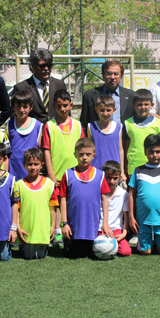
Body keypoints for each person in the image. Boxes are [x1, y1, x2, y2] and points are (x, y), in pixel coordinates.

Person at [41, 89, 84, 245]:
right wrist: (51, 174)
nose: (62, 109)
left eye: (65, 105)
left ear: (71, 105)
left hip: (75, 174)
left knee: (74, 203)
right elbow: (46, 151)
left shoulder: (78, 125)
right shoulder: (49, 126)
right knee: (58, 205)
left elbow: (83, 148)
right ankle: (58, 234)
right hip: (57, 174)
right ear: (54, 106)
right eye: (59, 106)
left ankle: (74, 231)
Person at [58, 138, 112, 258]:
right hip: (72, 229)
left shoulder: (100, 175)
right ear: (75, 155)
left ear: (93, 155)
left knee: (90, 254)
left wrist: (105, 223)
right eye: (81, 154)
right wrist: (64, 223)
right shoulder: (68, 174)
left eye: (88, 154)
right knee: (71, 255)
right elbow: (63, 199)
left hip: (93, 230)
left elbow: (105, 200)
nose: (84, 157)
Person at [128, 134, 160, 255]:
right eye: (151, 151)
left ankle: (157, 240)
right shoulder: (138, 171)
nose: (155, 155)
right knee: (145, 252)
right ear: (145, 152)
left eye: (158, 151)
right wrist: (131, 217)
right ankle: (150, 241)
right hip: (143, 221)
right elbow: (131, 195)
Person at [14, 148, 58, 260]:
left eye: (36, 164)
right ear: (24, 165)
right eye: (29, 164)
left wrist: (53, 226)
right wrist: (18, 227)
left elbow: (52, 208)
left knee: (40, 256)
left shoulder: (49, 184)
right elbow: (17, 209)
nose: (33, 167)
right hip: (26, 229)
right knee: (28, 256)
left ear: (42, 165)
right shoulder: (19, 184)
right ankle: (23, 247)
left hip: (42, 229)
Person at [123, 89, 160, 178]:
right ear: (133, 105)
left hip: (155, 167)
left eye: (146, 104)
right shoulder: (127, 124)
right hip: (134, 169)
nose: (143, 107)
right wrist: (124, 171)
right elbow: (126, 148)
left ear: (152, 105)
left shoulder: (158, 123)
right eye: (139, 104)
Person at [12, 48, 67, 123]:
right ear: (33, 67)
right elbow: (15, 116)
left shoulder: (59, 85)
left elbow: (66, 111)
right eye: (42, 66)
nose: (46, 68)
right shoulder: (21, 87)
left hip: (55, 128)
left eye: (49, 65)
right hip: (33, 129)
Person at [80, 59, 136, 126]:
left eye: (116, 74)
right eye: (109, 74)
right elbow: (84, 124)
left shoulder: (131, 96)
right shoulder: (90, 95)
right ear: (103, 75)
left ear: (121, 76)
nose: (113, 77)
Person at [6, 91, 43, 180]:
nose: (22, 110)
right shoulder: (9, 125)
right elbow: (6, 152)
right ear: (13, 107)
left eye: (25, 107)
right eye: (18, 106)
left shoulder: (38, 126)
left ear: (31, 107)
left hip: (32, 174)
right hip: (13, 173)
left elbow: (41, 150)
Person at [87, 95, 125, 181]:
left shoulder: (118, 127)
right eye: (102, 110)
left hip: (114, 172)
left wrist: (122, 171)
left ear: (114, 110)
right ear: (96, 110)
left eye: (108, 110)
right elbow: (89, 149)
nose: (105, 113)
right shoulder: (91, 126)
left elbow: (120, 149)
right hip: (96, 170)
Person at [99, 161, 131, 257]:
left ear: (119, 178)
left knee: (126, 252)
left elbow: (126, 217)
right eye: (108, 177)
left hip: (116, 230)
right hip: (100, 230)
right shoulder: (97, 192)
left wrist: (124, 233)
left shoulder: (124, 194)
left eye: (115, 178)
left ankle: (112, 246)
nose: (112, 181)